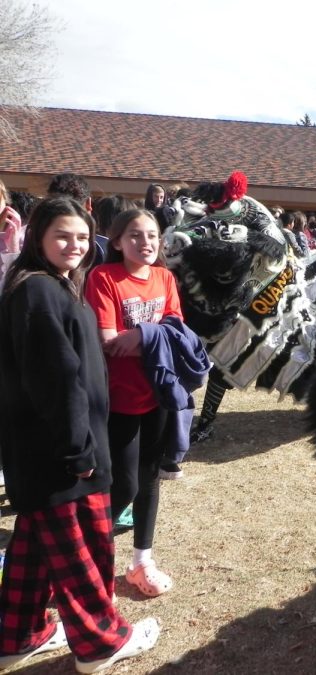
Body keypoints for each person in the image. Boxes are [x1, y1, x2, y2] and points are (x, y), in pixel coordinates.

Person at [0, 197, 159, 672]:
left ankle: (18, 635)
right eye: (62, 236)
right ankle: (101, 642)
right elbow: (58, 379)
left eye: (83, 237)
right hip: (61, 453)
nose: (75, 245)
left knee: (32, 546)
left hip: (44, 452)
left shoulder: (49, 285)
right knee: (82, 550)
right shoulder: (41, 293)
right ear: (38, 239)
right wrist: (78, 450)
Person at [85, 208, 184, 598]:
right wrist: (153, 334)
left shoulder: (165, 277)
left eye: (152, 235)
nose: (146, 243)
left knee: (149, 480)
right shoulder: (103, 277)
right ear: (117, 241)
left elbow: (176, 328)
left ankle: (142, 561)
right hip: (119, 400)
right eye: (135, 235)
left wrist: (140, 336)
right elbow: (108, 340)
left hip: (156, 394)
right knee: (122, 484)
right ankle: (91, 564)